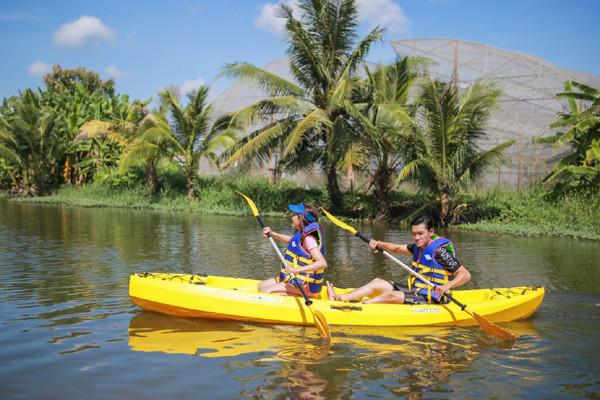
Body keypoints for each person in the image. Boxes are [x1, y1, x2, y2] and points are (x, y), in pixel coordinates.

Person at [327, 215, 470, 304]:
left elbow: (465, 275)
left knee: (389, 295)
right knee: (377, 282)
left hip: (433, 299)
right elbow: (396, 248)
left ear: (431, 232)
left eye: (420, 234)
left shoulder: (440, 252)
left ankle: (354, 308)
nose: (417, 238)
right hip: (417, 291)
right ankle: (340, 298)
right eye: (414, 234)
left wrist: (446, 287)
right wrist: (379, 243)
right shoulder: (418, 247)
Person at [257, 202, 327, 297]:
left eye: (294, 215)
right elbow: (290, 240)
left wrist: (295, 270)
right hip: (295, 280)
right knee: (261, 286)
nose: (292, 217)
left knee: (265, 292)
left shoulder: (309, 239)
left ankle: (306, 297)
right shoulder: (300, 234)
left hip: (305, 286)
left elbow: (322, 263)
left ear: (301, 218)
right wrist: (273, 234)